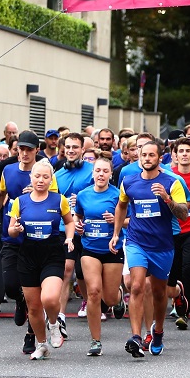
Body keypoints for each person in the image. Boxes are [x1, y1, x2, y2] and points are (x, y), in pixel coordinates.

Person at [111, 139, 189, 358]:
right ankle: (136, 337)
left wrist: (167, 198)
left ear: (159, 157)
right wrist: (117, 233)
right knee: (136, 286)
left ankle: (158, 331)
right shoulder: (129, 181)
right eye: (143, 155)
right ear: (139, 156)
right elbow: (121, 206)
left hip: (162, 245)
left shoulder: (172, 182)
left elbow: (183, 213)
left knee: (158, 292)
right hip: (136, 242)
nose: (147, 159)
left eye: (151, 155)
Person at [7, 160, 75, 360]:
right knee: (34, 306)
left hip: (52, 253)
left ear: (51, 179)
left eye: (45, 177)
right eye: (37, 176)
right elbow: (11, 230)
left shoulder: (59, 200)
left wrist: (69, 238)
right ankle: (42, 344)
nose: (41, 180)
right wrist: (16, 230)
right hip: (28, 253)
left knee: (49, 298)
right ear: (31, 177)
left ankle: (53, 323)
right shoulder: (20, 201)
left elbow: (69, 221)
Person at [0, 129, 53, 355]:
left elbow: (56, 200)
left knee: (35, 293)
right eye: (21, 149)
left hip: (36, 239)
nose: (25, 153)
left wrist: (39, 192)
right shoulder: (8, 170)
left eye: (29, 149)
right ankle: (19, 302)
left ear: (37, 150)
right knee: (10, 283)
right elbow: (0, 194)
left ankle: (31, 335)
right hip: (12, 236)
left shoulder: (45, 171)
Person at [75, 153, 124, 356]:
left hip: (112, 249)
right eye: (97, 171)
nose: (101, 174)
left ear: (111, 174)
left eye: (105, 171)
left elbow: (129, 220)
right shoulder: (83, 195)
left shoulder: (117, 195)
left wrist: (115, 221)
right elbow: (78, 216)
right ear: (92, 173)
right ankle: (95, 340)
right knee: (94, 292)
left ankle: (119, 298)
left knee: (109, 299)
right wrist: (78, 226)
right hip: (90, 249)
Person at [54, 132, 94, 327]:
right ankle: (60, 316)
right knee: (66, 269)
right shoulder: (57, 175)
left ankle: (90, 301)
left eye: (75, 147)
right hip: (65, 227)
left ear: (82, 150)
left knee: (84, 272)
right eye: (68, 147)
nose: (71, 151)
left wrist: (82, 203)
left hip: (88, 227)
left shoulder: (93, 171)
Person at [166, 136, 190, 330]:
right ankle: (178, 295)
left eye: (188, 151)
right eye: (181, 151)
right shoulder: (169, 175)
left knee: (189, 268)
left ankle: (184, 312)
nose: (185, 154)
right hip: (172, 230)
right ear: (175, 155)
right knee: (172, 273)